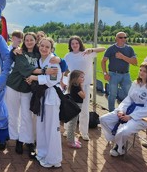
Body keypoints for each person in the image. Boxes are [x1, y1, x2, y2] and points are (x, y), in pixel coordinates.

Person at [5, 32, 58, 158]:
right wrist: (44, 71)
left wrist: (60, 60)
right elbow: (25, 68)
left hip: (28, 89)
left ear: (36, 41)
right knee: (13, 114)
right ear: (24, 41)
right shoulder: (19, 52)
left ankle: (28, 141)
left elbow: (53, 59)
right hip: (13, 85)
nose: (29, 42)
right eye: (27, 40)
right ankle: (17, 139)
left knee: (27, 116)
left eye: (31, 40)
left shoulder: (39, 53)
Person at [99, 62, 147, 157]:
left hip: (142, 116)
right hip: (128, 109)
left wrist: (131, 117)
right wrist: (121, 110)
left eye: (145, 71)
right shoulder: (136, 83)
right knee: (103, 119)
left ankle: (119, 146)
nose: (141, 73)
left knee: (123, 131)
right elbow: (128, 99)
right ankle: (118, 141)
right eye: (140, 70)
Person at [26, 37, 62, 168]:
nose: (44, 49)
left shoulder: (53, 61)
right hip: (41, 96)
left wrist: (35, 77)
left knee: (52, 128)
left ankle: (53, 159)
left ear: (51, 49)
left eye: (47, 47)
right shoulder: (39, 60)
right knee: (41, 127)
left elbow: (53, 79)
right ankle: (42, 153)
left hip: (51, 97)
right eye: (42, 46)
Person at [64, 35, 105, 141]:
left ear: (80, 43)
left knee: (84, 109)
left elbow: (103, 49)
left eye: (76, 43)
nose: (74, 45)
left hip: (85, 85)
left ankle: (84, 132)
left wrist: (91, 49)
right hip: (73, 86)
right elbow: (64, 69)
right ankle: (67, 129)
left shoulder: (87, 53)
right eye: (72, 43)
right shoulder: (68, 56)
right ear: (70, 45)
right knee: (70, 108)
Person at [101, 32, 137, 112]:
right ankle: (111, 112)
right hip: (113, 74)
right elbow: (103, 61)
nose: (123, 39)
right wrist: (105, 73)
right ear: (116, 38)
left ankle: (129, 112)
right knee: (113, 94)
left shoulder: (129, 49)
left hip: (126, 75)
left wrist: (122, 57)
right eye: (121, 37)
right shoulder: (111, 48)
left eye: (125, 37)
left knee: (130, 94)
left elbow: (135, 62)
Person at [66, 70, 86, 148]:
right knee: (72, 124)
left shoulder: (76, 85)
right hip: (75, 106)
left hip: (76, 106)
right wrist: (81, 88)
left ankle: (71, 139)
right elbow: (84, 96)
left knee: (73, 123)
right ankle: (70, 141)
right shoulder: (76, 87)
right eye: (81, 77)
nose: (83, 79)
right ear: (75, 78)